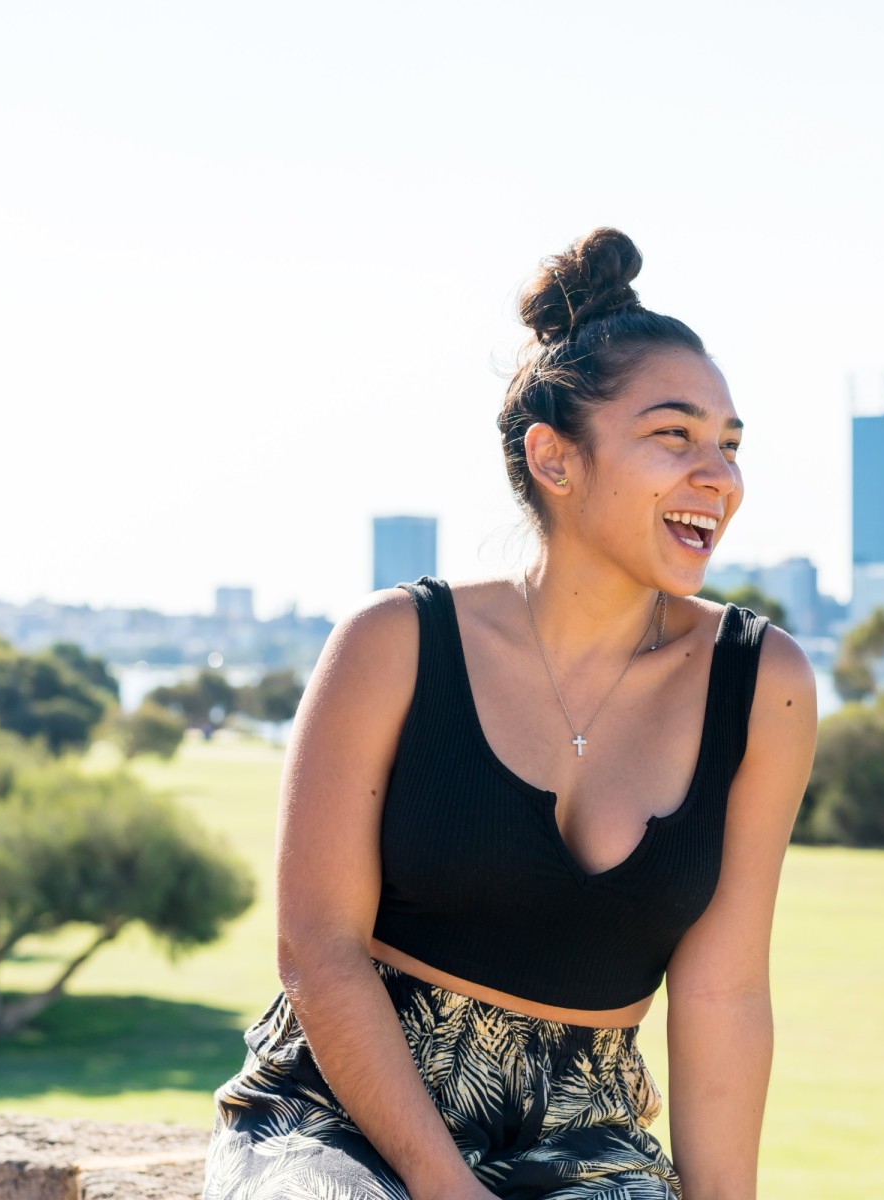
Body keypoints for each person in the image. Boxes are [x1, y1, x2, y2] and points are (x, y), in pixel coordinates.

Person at [202, 227, 819, 1199]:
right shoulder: (393, 646)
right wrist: (446, 1188)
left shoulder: (762, 682)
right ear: (555, 460)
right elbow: (316, 951)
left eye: (730, 447)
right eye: (675, 436)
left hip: (588, 1133)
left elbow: (725, 991)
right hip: (339, 1111)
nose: (720, 477)